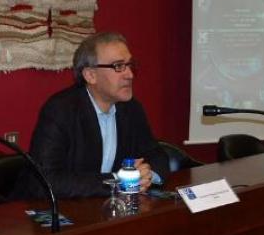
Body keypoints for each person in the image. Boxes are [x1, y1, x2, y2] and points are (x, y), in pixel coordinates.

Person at [21, 32, 169, 198]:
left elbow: (157, 155)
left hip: (112, 209)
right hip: (69, 212)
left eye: (130, 65)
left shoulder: (131, 108)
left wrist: (147, 175)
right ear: (90, 75)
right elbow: (44, 181)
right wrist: (118, 180)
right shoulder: (61, 110)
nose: (130, 75)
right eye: (118, 66)